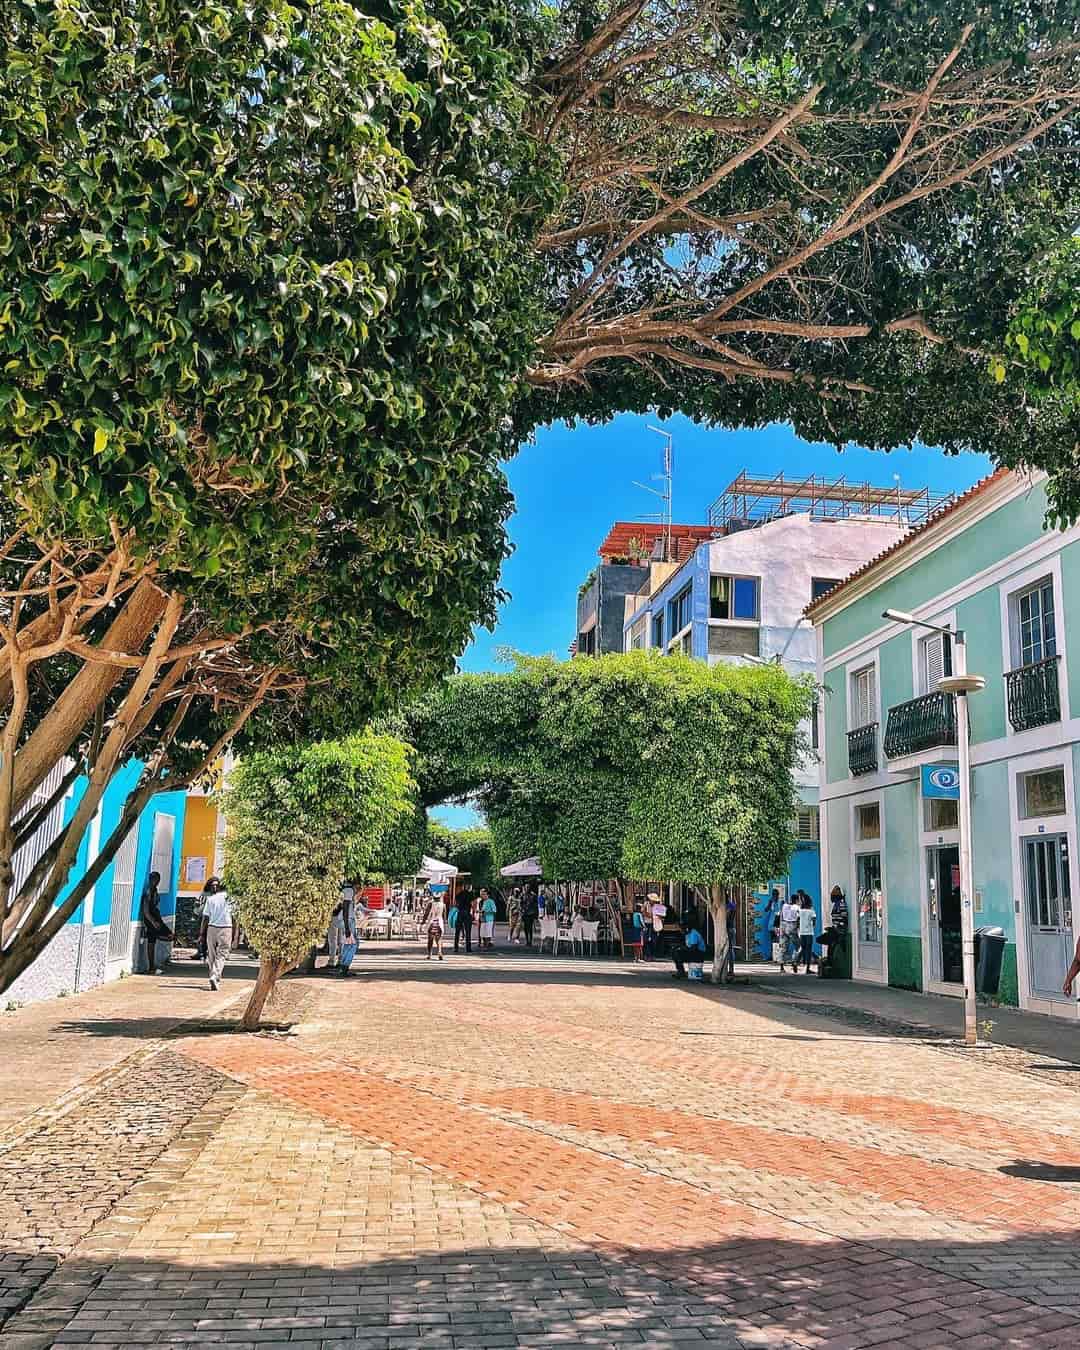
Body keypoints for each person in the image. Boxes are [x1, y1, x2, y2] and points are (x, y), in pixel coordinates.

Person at [200, 881, 234, 991]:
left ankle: (213, 976)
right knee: (222, 954)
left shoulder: (210, 899)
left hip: (211, 928)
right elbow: (234, 916)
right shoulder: (230, 899)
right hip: (226, 928)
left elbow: (205, 918)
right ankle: (215, 976)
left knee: (212, 954)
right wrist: (236, 934)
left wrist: (201, 933)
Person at [138, 871, 172, 974]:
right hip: (151, 920)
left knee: (169, 936)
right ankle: (151, 967)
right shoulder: (148, 892)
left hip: (156, 918)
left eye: (158, 880)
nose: (156, 882)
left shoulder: (155, 891)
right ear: (150, 880)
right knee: (151, 942)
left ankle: (152, 967)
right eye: (154, 880)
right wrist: (153, 922)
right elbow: (145, 911)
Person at [778, 891, 800, 972]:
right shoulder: (797, 907)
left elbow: (780, 916)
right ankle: (794, 961)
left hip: (783, 925)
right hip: (792, 926)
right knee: (798, 945)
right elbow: (799, 918)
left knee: (783, 946)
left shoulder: (784, 906)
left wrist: (780, 927)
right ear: (796, 900)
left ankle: (781, 966)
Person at [796, 893, 817, 974]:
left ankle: (796, 962)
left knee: (803, 948)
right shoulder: (812, 911)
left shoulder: (800, 911)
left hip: (802, 932)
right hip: (809, 932)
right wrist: (811, 925)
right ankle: (807, 968)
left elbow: (797, 921)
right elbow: (814, 922)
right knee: (808, 950)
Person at [425, 893, 446, 961]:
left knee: (430, 939)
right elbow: (444, 916)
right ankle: (439, 952)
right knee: (439, 939)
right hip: (439, 923)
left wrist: (423, 921)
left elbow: (426, 913)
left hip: (432, 923)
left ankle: (429, 954)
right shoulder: (443, 905)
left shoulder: (430, 904)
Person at [327, 900, 345, 969]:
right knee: (341, 941)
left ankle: (331, 961)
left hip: (334, 916)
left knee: (332, 940)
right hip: (342, 916)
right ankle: (340, 961)